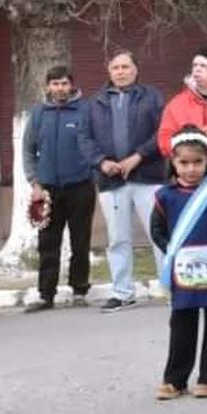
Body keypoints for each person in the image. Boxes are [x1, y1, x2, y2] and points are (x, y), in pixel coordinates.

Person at [151, 126, 207, 400]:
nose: (190, 169)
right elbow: (158, 230)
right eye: (183, 162)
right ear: (173, 162)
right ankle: (175, 379)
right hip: (184, 271)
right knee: (182, 322)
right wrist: (175, 253)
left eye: (197, 162)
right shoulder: (165, 196)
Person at [81, 49, 165, 312]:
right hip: (112, 180)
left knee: (159, 234)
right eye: (116, 67)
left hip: (148, 176)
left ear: (135, 70)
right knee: (118, 238)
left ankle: (171, 287)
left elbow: (163, 131)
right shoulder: (94, 103)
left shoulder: (152, 97)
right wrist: (102, 162)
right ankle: (123, 291)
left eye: (125, 67)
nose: (121, 71)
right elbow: (84, 139)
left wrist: (138, 156)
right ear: (109, 71)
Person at [23, 64, 95, 311]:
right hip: (48, 190)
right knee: (48, 243)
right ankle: (46, 294)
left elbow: (95, 145)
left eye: (64, 83)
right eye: (55, 84)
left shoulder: (85, 110)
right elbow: (28, 150)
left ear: (71, 85)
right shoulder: (39, 113)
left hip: (80, 187)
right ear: (48, 87)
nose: (60, 88)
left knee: (81, 241)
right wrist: (35, 183)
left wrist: (92, 173)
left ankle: (79, 290)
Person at [158, 47, 207, 160]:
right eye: (194, 65)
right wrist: (193, 139)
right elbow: (164, 141)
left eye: (203, 66)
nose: (197, 69)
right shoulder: (176, 104)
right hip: (188, 169)